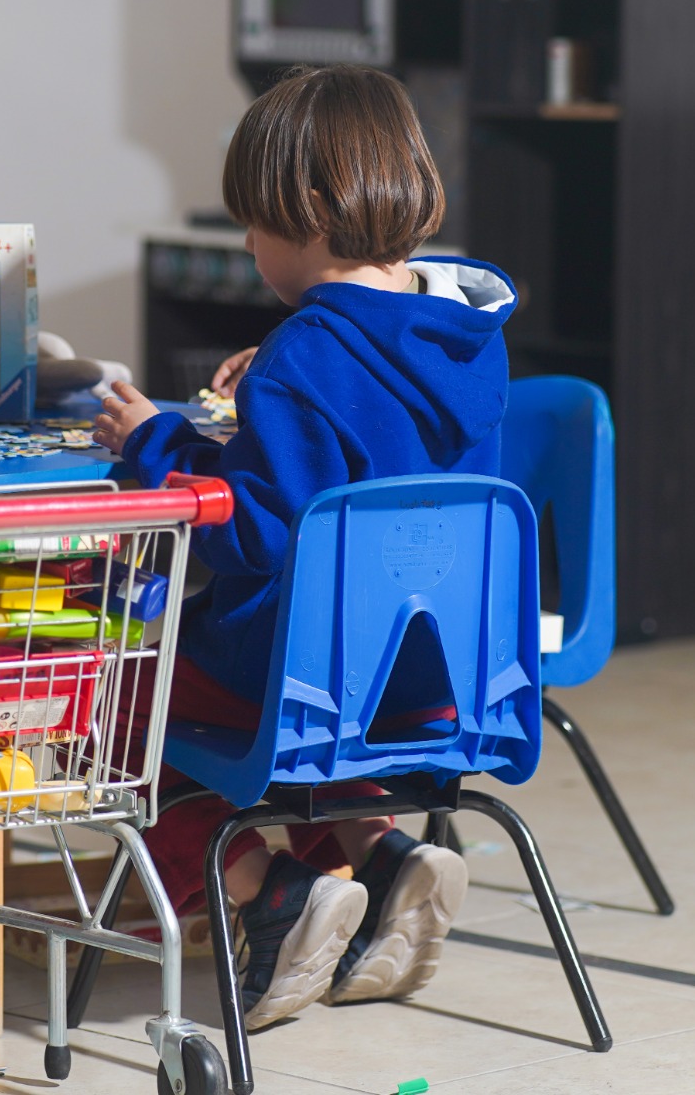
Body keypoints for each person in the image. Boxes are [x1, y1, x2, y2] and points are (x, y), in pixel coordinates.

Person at [91, 64, 515, 1030]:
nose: (246, 248)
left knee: (116, 702)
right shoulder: (466, 334)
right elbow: (365, 461)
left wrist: (155, 442)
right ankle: (382, 853)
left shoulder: (303, 357)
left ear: (311, 213)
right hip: (434, 675)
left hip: (312, 678)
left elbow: (256, 533)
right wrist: (268, 398)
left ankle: (267, 886)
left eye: (254, 225)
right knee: (301, 690)